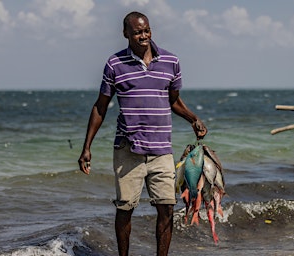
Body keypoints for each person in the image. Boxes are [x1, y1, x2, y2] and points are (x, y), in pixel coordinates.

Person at [78, 11, 207, 256]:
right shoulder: (114, 64)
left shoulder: (171, 61)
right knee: (125, 209)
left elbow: (174, 101)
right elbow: (100, 106)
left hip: (161, 151)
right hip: (128, 150)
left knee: (167, 209)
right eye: (137, 32)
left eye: (146, 30)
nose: (143, 36)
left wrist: (194, 119)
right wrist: (87, 148)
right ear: (126, 34)